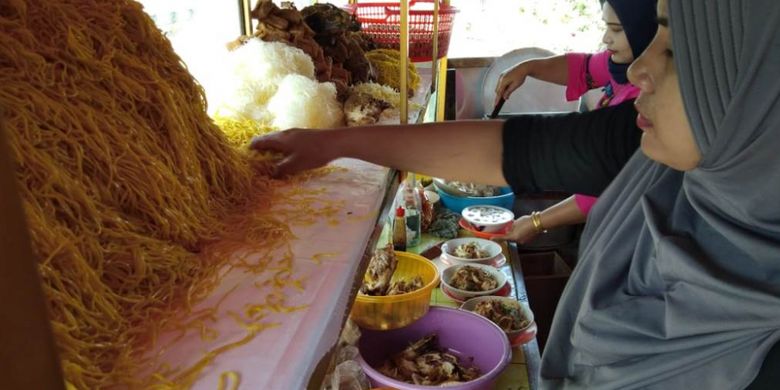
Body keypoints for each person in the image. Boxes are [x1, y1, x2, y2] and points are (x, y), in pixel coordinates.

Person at [253, 0, 780, 386]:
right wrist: (331, 143)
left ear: (753, 77)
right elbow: (508, 148)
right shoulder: (645, 139)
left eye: (676, 49)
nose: (639, 67)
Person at [493, 0, 657, 245]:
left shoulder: (646, 101)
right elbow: (584, 67)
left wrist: (536, 221)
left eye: (616, 29)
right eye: (606, 26)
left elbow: (603, 190)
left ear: (647, 30)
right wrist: (528, 67)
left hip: (632, 231)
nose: (606, 38)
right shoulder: (624, 65)